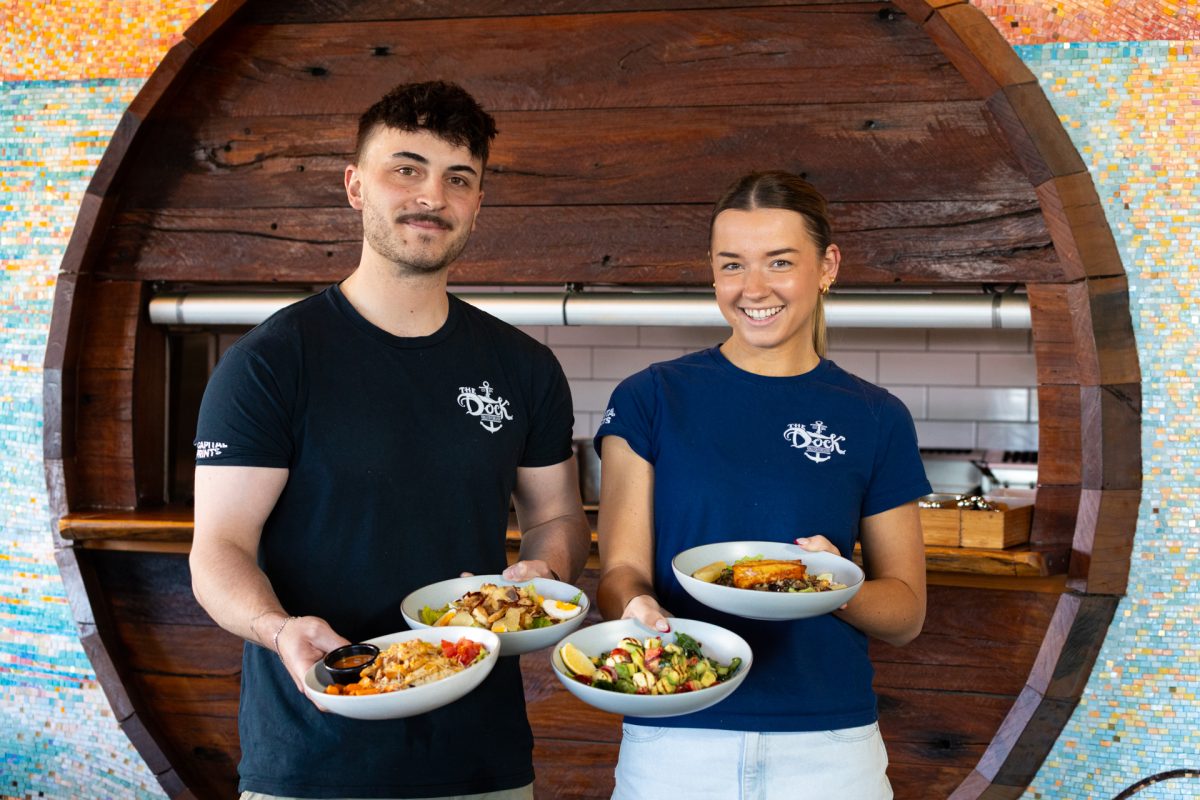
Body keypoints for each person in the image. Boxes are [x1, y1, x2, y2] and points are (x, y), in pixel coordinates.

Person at [189, 80, 592, 800]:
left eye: (457, 179)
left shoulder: (523, 367)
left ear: (477, 203)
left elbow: (558, 517)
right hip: (315, 752)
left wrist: (544, 572)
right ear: (355, 186)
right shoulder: (272, 362)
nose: (431, 196)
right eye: (405, 169)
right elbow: (218, 548)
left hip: (481, 757)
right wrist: (277, 628)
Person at [594, 170, 931, 799]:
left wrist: (833, 587)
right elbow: (619, 572)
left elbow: (906, 613)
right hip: (677, 739)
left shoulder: (876, 415)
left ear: (827, 265)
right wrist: (635, 608)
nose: (753, 289)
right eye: (732, 265)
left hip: (830, 751)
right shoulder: (649, 399)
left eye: (780, 262)